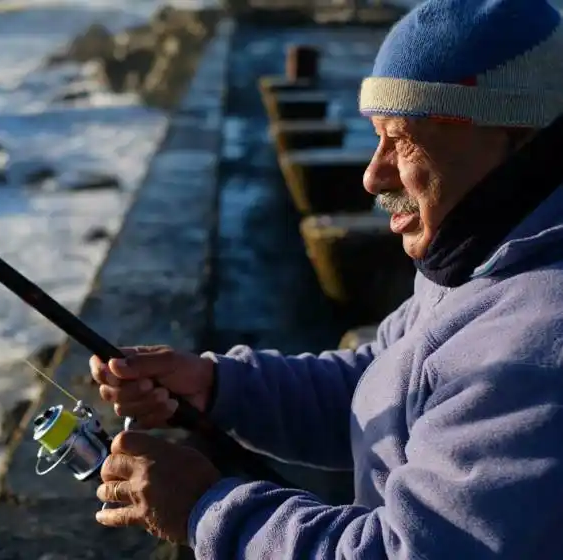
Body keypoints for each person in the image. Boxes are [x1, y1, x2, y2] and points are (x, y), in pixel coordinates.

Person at [88, 0, 563, 557]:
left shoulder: (536, 346)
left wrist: (205, 509)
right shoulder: (485, 254)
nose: (372, 175)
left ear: (516, 134)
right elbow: (390, 380)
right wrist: (222, 389)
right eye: (375, 136)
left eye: (403, 139)